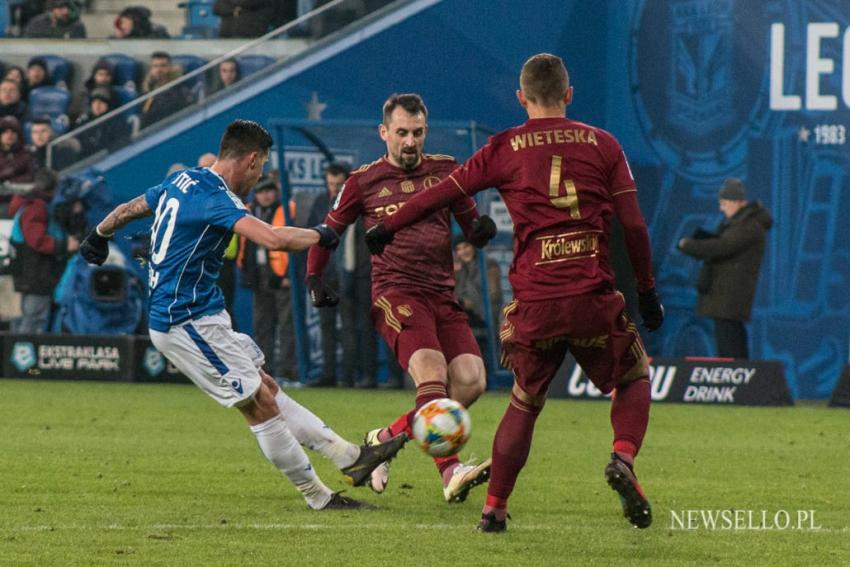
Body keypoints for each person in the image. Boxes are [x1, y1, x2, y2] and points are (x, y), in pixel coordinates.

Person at [365, 54, 664, 532]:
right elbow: (633, 225)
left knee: (525, 400)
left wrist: (388, 225)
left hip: (536, 302)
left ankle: (494, 509)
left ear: (521, 98)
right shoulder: (604, 144)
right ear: (568, 95)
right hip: (592, 295)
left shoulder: (504, 146)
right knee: (634, 376)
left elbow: (441, 192)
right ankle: (623, 458)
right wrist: (646, 291)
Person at [78, 119, 407, 510]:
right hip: (185, 322)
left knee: (266, 388)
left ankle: (352, 458)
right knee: (258, 405)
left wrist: (98, 233)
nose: (261, 176)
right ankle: (319, 497)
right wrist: (325, 234)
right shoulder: (218, 199)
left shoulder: (184, 180)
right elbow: (273, 238)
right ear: (251, 160)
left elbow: (133, 207)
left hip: (203, 315)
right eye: (262, 166)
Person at [306, 93, 498, 501]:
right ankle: (450, 472)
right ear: (384, 133)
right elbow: (328, 232)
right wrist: (314, 276)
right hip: (396, 292)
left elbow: (470, 222)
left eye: (417, 132)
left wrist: (478, 231)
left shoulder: (446, 170)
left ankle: (385, 438)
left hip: (441, 294)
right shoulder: (362, 180)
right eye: (401, 133)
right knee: (432, 371)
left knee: (471, 382)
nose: (410, 142)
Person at [677, 178, 772, 358]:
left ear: (737, 201)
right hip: (726, 296)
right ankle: (738, 376)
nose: (721, 208)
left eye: (724, 203)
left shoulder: (748, 226)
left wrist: (689, 245)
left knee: (731, 345)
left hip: (731, 295)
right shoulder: (739, 224)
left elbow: (722, 247)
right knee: (730, 340)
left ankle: (736, 379)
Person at [236, 176, 298, 380]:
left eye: (269, 190)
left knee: (286, 327)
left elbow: (295, 244)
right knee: (261, 327)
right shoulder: (248, 210)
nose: (266, 195)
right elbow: (244, 246)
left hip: (281, 277)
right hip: (258, 276)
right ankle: (265, 371)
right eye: (262, 191)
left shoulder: (287, 209)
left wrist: (289, 275)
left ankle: (287, 371)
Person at [8, 169, 78, 333]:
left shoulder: (31, 202)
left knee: (30, 316)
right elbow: (37, 240)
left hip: (31, 271)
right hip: (36, 272)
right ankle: (25, 353)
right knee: (35, 317)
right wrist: (64, 246)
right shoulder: (36, 207)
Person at [453, 235, 502, 361]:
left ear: (473, 246)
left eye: (466, 246)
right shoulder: (459, 270)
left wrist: (473, 305)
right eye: (459, 249)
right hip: (466, 323)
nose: (463, 252)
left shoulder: (489, 265)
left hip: (484, 322)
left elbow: (494, 297)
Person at [140, 52, 194, 130]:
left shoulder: (180, 91)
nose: (159, 70)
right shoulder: (146, 91)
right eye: (155, 66)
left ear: (170, 68)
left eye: (163, 66)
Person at [72, 87, 131, 158]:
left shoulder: (116, 122)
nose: (97, 105)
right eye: (94, 102)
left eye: (102, 102)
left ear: (108, 105)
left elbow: (121, 144)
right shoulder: (83, 122)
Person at [213, 0, 290, 38]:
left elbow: (247, 2)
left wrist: (230, 6)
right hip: (226, 37)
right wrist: (233, 10)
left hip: (251, 37)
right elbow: (217, 8)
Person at [0, 116, 35, 187]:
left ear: (18, 134)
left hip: (20, 193)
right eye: (5, 132)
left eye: (13, 131)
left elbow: (30, 176)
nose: (9, 135)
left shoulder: (27, 153)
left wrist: (9, 182)